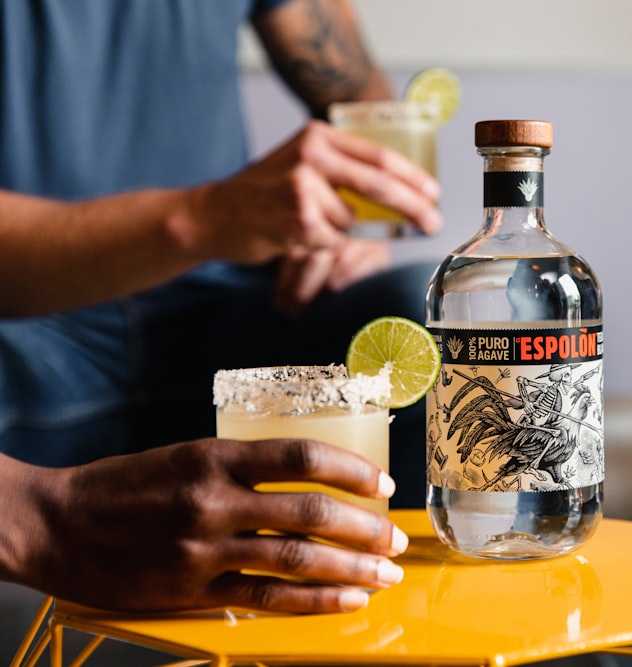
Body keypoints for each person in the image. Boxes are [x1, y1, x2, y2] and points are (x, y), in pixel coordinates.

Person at [0, 0, 439, 614]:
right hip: (23, 339)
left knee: (432, 328)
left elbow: (357, 91)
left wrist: (357, 223)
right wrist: (35, 517)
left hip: (234, 319)